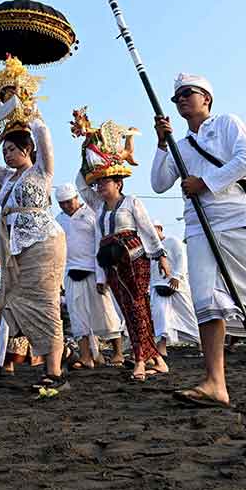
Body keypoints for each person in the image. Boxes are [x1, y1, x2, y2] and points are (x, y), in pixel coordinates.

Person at [152, 73, 246, 407]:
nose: (180, 99)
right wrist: (162, 144)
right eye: (176, 96)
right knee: (206, 300)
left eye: (187, 93)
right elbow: (159, 183)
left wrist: (206, 182)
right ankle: (215, 383)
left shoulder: (226, 123)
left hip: (237, 220)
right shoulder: (178, 145)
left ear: (206, 98)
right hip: (198, 227)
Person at [0, 57, 67, 392]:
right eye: (8, 150)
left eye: (15, 149)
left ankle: (54, 370)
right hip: (16, 247)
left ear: (28, 150)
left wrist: (24, 111)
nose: (9, 155)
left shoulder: (42, 171)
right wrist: (2, 133)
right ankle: (17, 360)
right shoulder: (6, 177)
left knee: (44, 302)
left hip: (43, 242)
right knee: (14, 301)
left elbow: (44, 134)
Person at [72, 107, 166, 380]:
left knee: (138, 307)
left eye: (105, 182)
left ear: (118, 183)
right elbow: (80, 185)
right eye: (98, 183)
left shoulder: (132, 202)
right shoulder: (97, 207)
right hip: (110, 260)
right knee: (129, 309)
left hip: (134, 258)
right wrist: (86, 144)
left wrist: (160, 256)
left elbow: (148, 231)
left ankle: (139, 360)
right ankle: (156, 358)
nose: (100, 187)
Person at [55, 182, 124, 370]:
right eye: (62, 203)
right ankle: (86, 357)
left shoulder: (92, 214)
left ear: (76, 198)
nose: (66, 206)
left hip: (94, 271)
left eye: (69, 202)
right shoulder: (58, 220)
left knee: (106, 313)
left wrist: (103, 277)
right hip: (71, 273)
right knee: (78, 318)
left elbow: (99, 246)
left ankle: (118, 353)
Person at [149, 220, 200, 356]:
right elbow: (151, 269)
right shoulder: (150, 248)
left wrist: (176, 276)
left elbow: (181, 259)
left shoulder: (173, 241)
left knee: (188, 315)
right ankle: (162, 348)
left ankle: (201, 344)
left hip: (177, 285)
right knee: (160, 315)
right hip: (158, 286)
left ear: (159, 228)